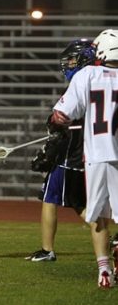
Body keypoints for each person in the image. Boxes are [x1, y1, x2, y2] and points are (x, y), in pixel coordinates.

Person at [51, 29, 118, 289]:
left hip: (99, 155)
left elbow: (62, 114)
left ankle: (104, 271)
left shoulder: (88, 74)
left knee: (99, 216)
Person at [26, 39, 95, 262]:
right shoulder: (105, 79)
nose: (69, 63)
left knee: (75, 203)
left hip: (73, 153)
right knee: (56, 197)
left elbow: (60, 118)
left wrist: (53, 143)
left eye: (73, 59)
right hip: (95, 151)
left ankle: (49, 251)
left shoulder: (83, 79)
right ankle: (47, 249)